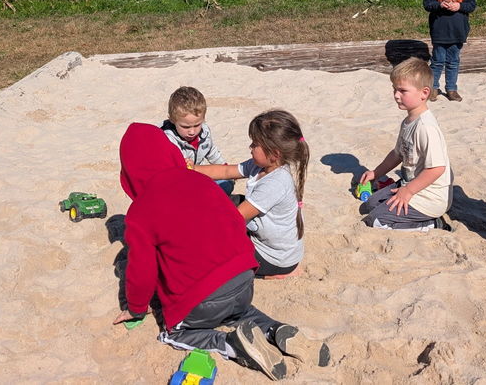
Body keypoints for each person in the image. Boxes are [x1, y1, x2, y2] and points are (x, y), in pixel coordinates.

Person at [112, 123, 330, 380]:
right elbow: (232, 223)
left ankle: (232, 344)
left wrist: (136, 308)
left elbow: (142, 270)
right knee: (240, 312)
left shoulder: (141, 211)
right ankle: (276, 330)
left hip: (202, 300)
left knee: (174, 333)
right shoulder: (200, 182)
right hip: (243, 279)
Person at [193, 110, 308, 279]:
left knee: (215, 253)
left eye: (255, 144)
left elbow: (234, 218)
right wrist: (191, 169)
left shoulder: (276, 183)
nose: (250, 147)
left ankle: (275, 274)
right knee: (224, 202)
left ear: (274, 154)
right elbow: (226, 171)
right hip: (264, 238)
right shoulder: (262, 165)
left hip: (274, 258)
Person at [357, 57, 453, 230]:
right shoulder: (408, 121)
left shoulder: (426, 127)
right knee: (370, 204)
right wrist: (376, 173)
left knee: (376, 221)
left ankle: (432, 224)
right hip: (410, 184)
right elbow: (397, 154)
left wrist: (408, 192)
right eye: (394, 89)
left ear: (424, 93)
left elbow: (437, 169)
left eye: (402, 90)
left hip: (429, 197)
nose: (396, 95)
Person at [422, 0, 477, 102]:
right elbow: (427, 4)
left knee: (453, 61)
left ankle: (451, 89)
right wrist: (439, 5)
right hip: (440, 32)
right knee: (437, 61)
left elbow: (472, 5)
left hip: (458, 32)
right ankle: (433, 87)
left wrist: (459, 6)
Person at [160, 86, 226, 168]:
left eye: (197, 125)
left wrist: (223, 166)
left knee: (226, 180)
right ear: (172, 120)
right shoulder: (168, 140)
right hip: (179, 174)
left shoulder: (204, 132)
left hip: (197, 171)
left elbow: (211, 151)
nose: (192, 132)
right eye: (185, 127)